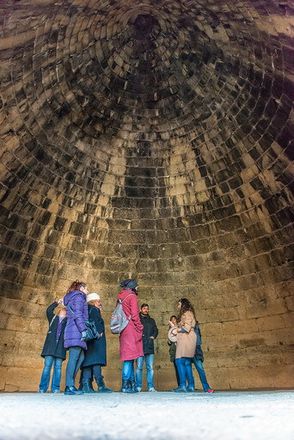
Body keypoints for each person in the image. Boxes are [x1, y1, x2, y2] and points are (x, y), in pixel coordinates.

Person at [81, 292, 112, 393]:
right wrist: (99, 333)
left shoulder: (87, 310)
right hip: (96, 340)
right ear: (93, 301)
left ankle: (86, 385)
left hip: (89, 340)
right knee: (96, 362)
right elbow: (96, 322)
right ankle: (101, 385)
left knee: (88, 362)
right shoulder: (94, 310)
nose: (100, 303)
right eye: (98, 301)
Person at [117, 279, 143, 393]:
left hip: (123, 329)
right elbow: (135, 315)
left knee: (130, 356)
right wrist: (140, 327)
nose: (137, 288)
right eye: (136, 286)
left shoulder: (120, 296)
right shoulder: (132, 296)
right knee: (129, 358)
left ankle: (131, 384)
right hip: (131, 329)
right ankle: (126, 385)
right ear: (132, 287)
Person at [63, 280, 88, 395]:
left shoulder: (75, 297)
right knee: (74, 358)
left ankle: (71, 383)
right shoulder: (79, 297)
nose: (87, 290)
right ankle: (69, 386)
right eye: (86, 288)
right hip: (76, 330)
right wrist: (83, 330)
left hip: (74, 330)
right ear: (81, 288)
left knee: (81, 357)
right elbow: (78, 314)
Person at [39, 299, 67, 393]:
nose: (64, 311)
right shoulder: (53, 318)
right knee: (47, 367)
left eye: (65, 311)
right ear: (59, 311)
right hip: (50, 347)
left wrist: (68, 306)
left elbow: (74, 315)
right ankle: (42, 388)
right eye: (62, 310)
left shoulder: (68, 321)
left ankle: (55, 388)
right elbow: (48, 310)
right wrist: (57, 303)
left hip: (60, 348)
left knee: (58, 368)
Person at [172, 298, 197, 392]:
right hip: (187, 338)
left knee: (179, 361)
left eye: (179, 304)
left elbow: (186, 328)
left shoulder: (187, 313)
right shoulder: (189, 313)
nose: (178, 306)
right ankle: (190, 385)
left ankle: (183, 385)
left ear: (183, 304)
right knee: (186, 363)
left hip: (186, 338)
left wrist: (176, 330)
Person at [135, 303, 158, 392]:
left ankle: (151, 387)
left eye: (147, 309)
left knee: (150, 368)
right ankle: (138, 386)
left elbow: (156, 330)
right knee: (139, 367)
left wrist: (153, 336)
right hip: (140, 346)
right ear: (141, 309)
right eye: (144, 308)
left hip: (149, 346)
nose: (146, 310)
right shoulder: (137, 320)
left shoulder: (151, 320)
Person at [192, 322, 214, 393]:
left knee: (200, 368)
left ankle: (206, 387)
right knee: (187, 369)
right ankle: (190, 387)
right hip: (186, 348)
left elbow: (199, 337)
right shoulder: (183, 323)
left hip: (196, 348)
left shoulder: (196, 325)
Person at [167, 315, 180, 387]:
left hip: (180, 351)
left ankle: (187, 384)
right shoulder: (169, 330)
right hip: (174, 351)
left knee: (182, 368)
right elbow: (169, 343)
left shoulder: (179, 328)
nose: (173, 321)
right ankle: (180, 385)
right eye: (171, 320)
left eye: (174, 319)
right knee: (177, 369)